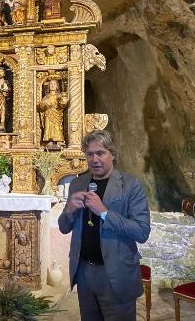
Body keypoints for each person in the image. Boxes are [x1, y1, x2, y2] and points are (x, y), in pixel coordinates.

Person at [58, 130, 150, 321]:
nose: (94, 159)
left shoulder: (130, 185)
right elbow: (64, 227)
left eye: (101, 153)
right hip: (84, 272)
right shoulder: (78, 184)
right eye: (90, 154)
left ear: (113, 155)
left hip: (115, 273)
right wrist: (68, 211)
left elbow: (142, 231)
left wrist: (104, 212)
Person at [38, 77, 68, 147]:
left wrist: (63, 100)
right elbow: (41, 107)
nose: (52, 85)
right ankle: (49, 140)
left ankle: (58, 140)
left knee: (57, 127)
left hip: (57, 114)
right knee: (48, 127)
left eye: (54, 84)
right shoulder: (46, 97)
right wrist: (44, 103)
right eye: (51, 84)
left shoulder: (59, 96)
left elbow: (63, 105)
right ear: (48, 86)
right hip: (48, 114)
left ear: (57, 86)